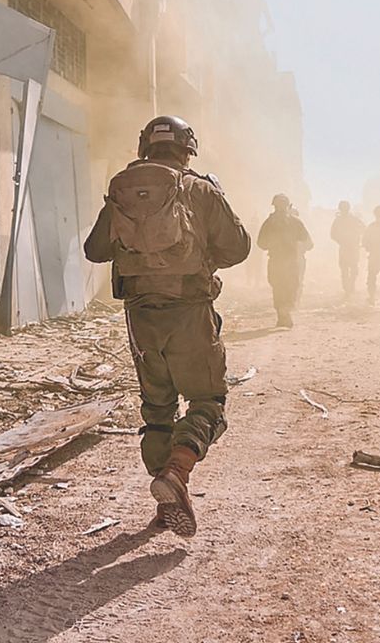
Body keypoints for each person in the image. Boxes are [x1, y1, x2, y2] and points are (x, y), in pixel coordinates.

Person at [84, 115, 250, 537]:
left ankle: (167, 499)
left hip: (141, 316)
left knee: (158, 410)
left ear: (145, 146)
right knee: (208, 400)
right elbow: (238, 247)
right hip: (190, 310)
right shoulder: (199, 188)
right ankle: (177, 471)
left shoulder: (122, 189)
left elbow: (94, 249)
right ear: (187, 148)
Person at [256, 193, 312, 328]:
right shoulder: (295, 222)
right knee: (289, 287)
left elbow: (261, 243)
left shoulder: (270, 222)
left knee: (280, 287)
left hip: (279, 261)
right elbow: (309, 243)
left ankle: (283, 314)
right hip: (289, 261)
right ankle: (285, 313)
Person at [329, 201, 365, 300]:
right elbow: (333, 234)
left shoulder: (353, 219)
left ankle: (350, 287)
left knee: (352, 268)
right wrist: (341, 240)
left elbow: (363, 229)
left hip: (352, 247)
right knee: (345, 269)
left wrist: (356, 238)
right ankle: (347, 289)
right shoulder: (340, 220)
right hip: (346, 247)